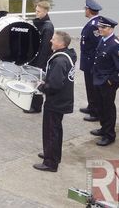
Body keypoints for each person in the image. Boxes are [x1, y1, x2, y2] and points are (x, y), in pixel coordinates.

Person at [34, 31, 77, 172]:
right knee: (56, 129)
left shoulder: (59, 61)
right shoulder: (68, 56)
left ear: (60, 43)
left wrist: (42, 86)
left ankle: (50, 162)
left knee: (51, 131)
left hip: (56, 101)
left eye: (53, 39)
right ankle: (51, 154)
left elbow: (55, 84)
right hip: (63, 100)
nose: (51, 41)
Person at [92, 17, 119, 146]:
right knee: (101, 106)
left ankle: (109, 135)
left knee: (108, 108)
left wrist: (110, 81)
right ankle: (103, 128)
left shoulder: (115, 45)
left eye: (103, 27)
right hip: (98, 79)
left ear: (111, 29)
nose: (100, 29)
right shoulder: (103, 40)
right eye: (100, 27)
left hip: (107, 82)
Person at [79, 0, 104, 121]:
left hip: (91, 62)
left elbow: (97, 45)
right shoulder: (94, 22)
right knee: (89, 86)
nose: (84, 11)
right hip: (88, 60)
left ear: (89, 10)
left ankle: (95, 112)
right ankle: (91, 106)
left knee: (93, 87)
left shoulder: (94, 26)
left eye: (85, 9)